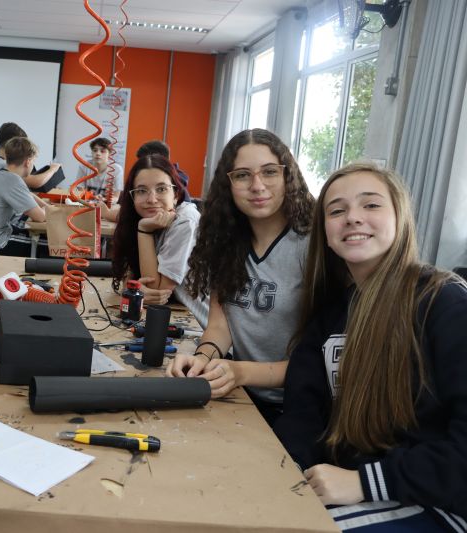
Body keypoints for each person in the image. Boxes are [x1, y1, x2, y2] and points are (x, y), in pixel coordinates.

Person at [274, 163, 467, 531]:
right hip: (360, 487)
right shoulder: (330, 316)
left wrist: (366, 482)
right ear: (325, 231)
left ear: (400, 217)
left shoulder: (445, 303)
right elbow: (302, 416)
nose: (353, 218)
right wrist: (287, 471)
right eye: (337, 211)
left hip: (439, 503)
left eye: (371, 205)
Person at [166, 128, 314, 426]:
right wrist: (202, 359)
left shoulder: (313, 246)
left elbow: (318, 362)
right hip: (245, 397)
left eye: (269, 172)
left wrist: (240, 372)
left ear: (287, 175)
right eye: (243, 175)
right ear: (228, 184)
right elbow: (220, 325)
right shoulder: (226, 241)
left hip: (300, 406)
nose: (257, 186)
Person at [110, 154, 208, 326]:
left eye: (161, 189)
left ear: (176, 194)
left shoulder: (186, 221)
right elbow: (131, 278)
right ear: (132, 198)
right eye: (141, 191)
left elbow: (155, 291)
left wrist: (144, 230)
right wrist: (133, 287)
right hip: (171, 314)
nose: (152, 199)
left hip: (199, 325)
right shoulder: (146, 220)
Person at [0, 136, 48, 260]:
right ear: (28, 161)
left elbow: (27, 194)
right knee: (47, 245)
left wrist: (47, 207)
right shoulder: (13, 180)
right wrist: (50, 210)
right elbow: (41, 217)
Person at [0, 121, 61, 188]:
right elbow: (36, 182)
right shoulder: (4, 166)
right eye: (20, 144)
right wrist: (53, 169)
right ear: (12, 144)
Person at [75, 137, 124, 202]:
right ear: (91, 152)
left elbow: (116, 197)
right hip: (86, 205)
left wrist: (104, 200)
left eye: (102, 151)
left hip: (105, 205)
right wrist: (92, 197)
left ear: (109, 154)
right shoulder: (84, 166)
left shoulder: (117, 170)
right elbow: (80, 193)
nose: (98, 153)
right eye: (95, 150)